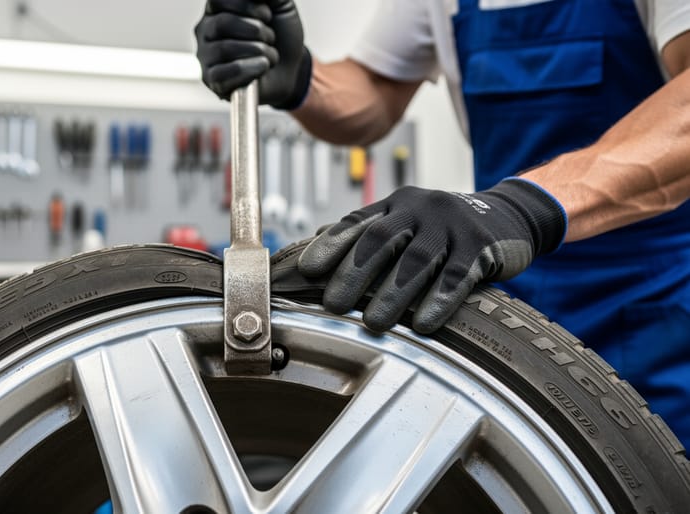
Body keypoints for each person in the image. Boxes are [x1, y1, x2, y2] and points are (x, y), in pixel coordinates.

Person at [195, 0, 690, 449]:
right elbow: (374, 90)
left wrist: (521, 207)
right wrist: (303, 77)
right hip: (515, 302)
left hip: (657, 306)